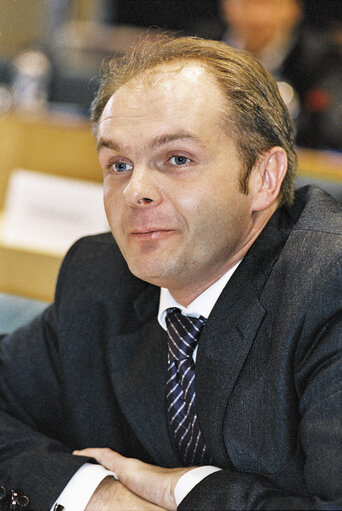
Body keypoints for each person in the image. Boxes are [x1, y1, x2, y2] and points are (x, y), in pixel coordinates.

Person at [0, 35, 341, 511]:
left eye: (177, 159)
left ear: (265, 177)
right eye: (118, 165)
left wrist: (181, 490)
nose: (136, 191)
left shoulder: (329, 285)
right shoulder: (98, 277)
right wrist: (101, 496)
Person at [218, 0, 342, 149]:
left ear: (294, 9)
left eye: (271, 4)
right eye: (246, 4)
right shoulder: (202, 47)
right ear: (226, 6)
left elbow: (332, 130)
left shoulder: (321, 58)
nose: (258, 17)